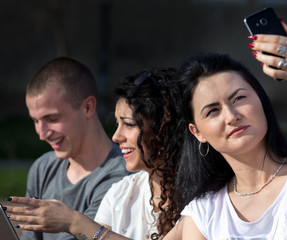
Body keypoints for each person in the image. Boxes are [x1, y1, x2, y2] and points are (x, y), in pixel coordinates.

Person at [174, 21, 287, 239]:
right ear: (197, 132)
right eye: (213, 111)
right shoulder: (204, 213)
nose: (232, 116)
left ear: (260, 99)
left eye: (239, 98)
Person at [6, 68, 184, 240]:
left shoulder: (201, 199)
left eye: (129, 124)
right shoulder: (121, 192)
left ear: (164, 128)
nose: (116, 136)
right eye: (36, 121)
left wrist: (74, 222)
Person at [12, 57, 130, 240]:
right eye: (35, 121)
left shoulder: (120, 178)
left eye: (52, 119)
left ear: (88, 108)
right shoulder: (43, 167)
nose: (42, 134)